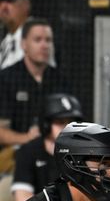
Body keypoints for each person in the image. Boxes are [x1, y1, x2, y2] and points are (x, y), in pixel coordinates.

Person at [0, 18, 70, 148]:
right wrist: (27, 138)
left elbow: (71, 123)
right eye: (38, 40)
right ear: (24, 44)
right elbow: (1, 131)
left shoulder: (60, 80)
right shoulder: (6, 79)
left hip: (52, 152)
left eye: (48, 40)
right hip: (16, 152)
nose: (44, 45)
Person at [11, 93, 83, 201]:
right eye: (60, 122)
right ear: (46, 125)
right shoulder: (27, 152)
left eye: (71, 122)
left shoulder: (83, 151)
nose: (67, 127)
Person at [0, 0, 32, 69]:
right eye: (1, 0)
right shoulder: (6, 40)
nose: (4, 7)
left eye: (10, 0)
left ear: (27, 4)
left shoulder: (37, 37)